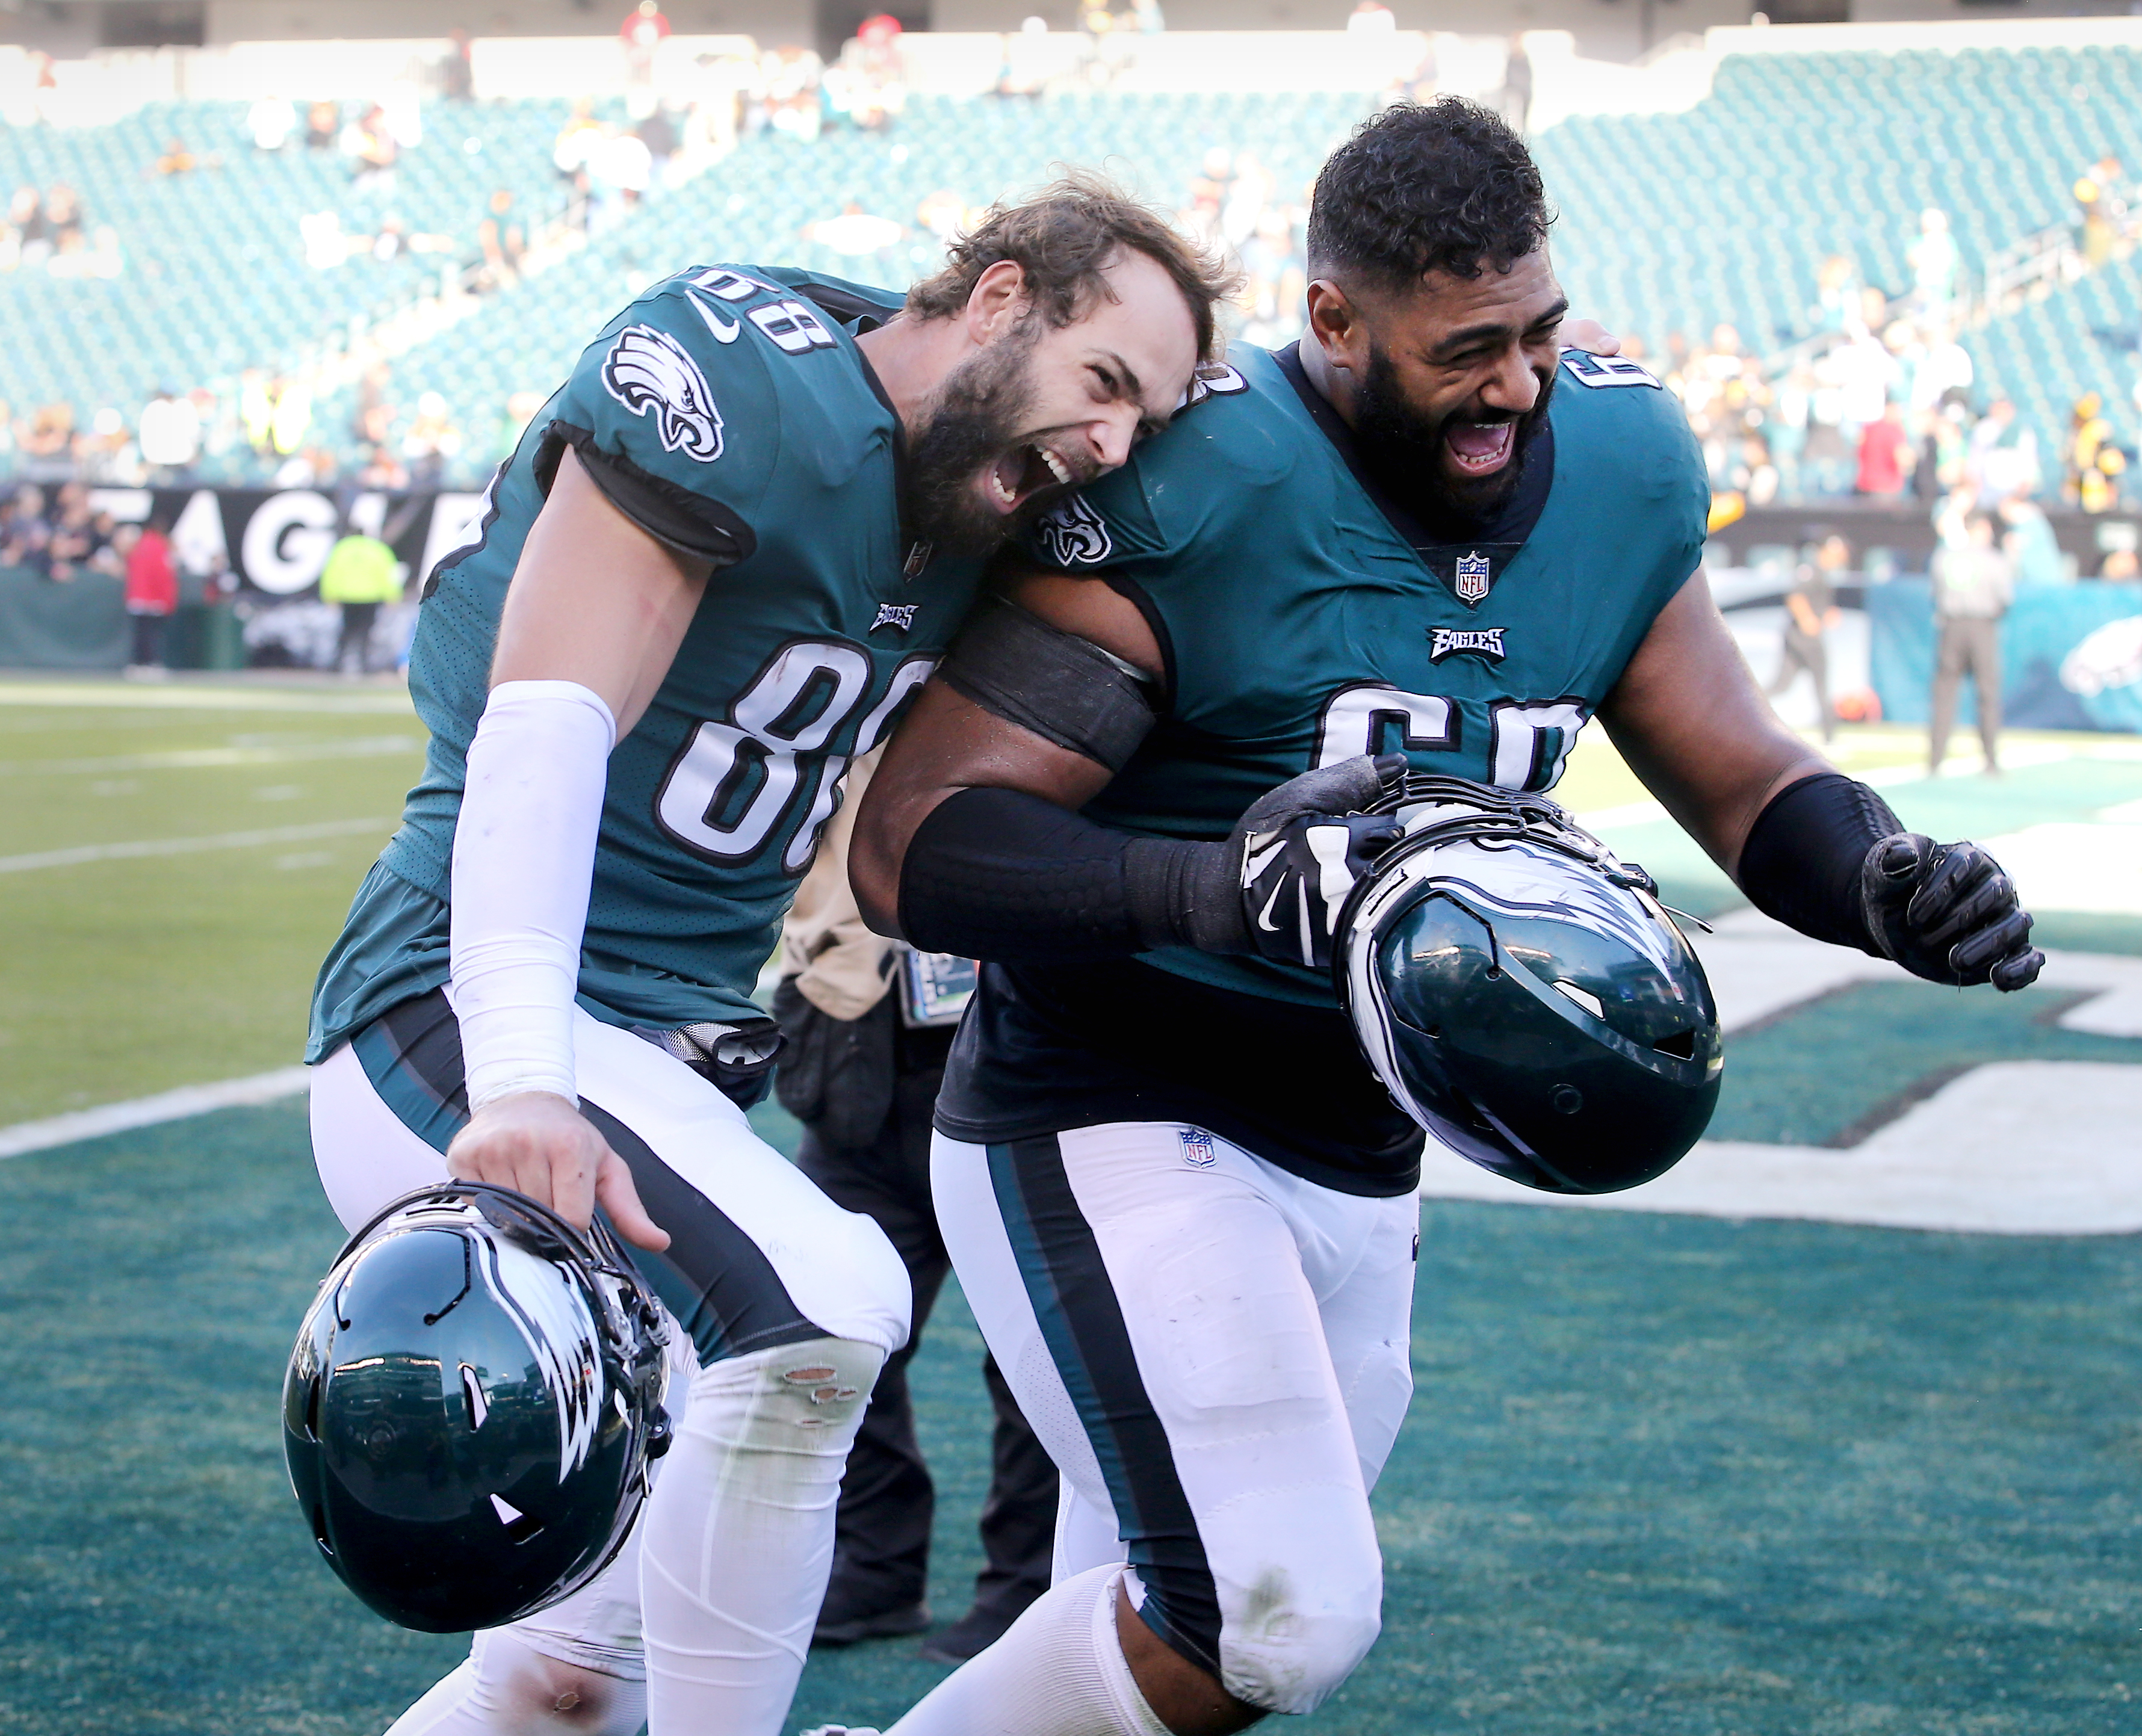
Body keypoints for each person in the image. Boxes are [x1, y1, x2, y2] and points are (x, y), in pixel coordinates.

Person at [843, 99, 2041, 1736]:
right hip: (1112, 1109)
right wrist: (1210, 884)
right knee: (1266, 1615)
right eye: (1464, 348)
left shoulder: (1616, 462)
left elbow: (1743, 777)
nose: (1515, 384)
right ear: (1329, 320)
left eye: (1538, 330)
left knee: (1151, 1632)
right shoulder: (1203, 480)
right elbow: (916, 843)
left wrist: (1879, 876)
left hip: (1358, 1140)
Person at [300, 180, 1226, 1736]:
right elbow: (548, 719)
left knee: (568, 1671)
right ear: (997, 298)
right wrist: (524, 1077)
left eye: (1145, 413)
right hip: (463, 1005)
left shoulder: (968, 501)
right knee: (825, 1300)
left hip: (659, 1063)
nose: (1113, 444)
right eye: (1104, 383)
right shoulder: (746, 377)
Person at [774, 751, 1056, 1661]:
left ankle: (1026, 1583)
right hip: (858, 1030)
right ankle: (876, 1564)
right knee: (825, 1325)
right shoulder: (855, 643)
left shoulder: (1046, 656)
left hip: (1020, 1031)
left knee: (1034, 1348)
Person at [1929, 509, 2014, 776]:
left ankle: (1935, 759)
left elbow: (1935, 592)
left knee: (1945, 693)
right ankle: (1990, 759)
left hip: (1951, 626)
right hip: (1981, 626)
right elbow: (2005, 598)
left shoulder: (1945, 557)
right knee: (1987, 693)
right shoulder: (1993, 559)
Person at [1769, 534, 1846, 743]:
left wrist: (1825, 614)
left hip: (1798, 637)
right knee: (1821, 685)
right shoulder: (1811, 571)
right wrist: (1808, 620)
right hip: (1805, 639)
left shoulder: (1822, 574)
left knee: (1781, 685)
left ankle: (1746, 711)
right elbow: (1795, 597)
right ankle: (1830, 737)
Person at [318, 524, 403, 674]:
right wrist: (392, 597)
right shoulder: (377, 549)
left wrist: (329, 596)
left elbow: (330, 573)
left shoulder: (341, 549)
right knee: (366, 633)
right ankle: (364, 666)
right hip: (370, 597)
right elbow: (388, 574)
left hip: (347, 597)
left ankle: (336, 666)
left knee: (345, 632)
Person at [123, 514, 177, 672]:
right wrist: (166, 599)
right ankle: (148, 663)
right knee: (151, 634)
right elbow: (162, 574)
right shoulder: (158, 546)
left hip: (137, 597)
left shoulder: (140, 544)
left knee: (141, 633)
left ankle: (138, 663)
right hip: (152, 598)